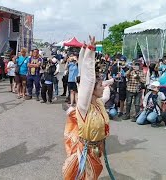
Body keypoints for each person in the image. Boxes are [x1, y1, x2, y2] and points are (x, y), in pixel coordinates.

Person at [63, 36, 110, 180]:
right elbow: (87, 79)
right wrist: (90, 52)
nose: (103, 87)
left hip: (96, 150)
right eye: (100, 85)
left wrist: (84, 52)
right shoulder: (84, 107)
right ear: (91, 90)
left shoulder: (100, 103)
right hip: (84, 152)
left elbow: (104, 88)